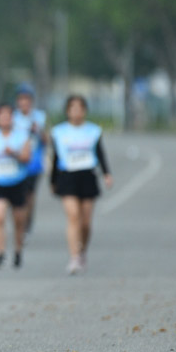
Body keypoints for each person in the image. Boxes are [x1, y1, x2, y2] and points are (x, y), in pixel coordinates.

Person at [50, 94, 113, 275]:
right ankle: (74, 256)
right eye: (73, 108)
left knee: (85, 222)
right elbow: (55, 158)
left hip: (88, 176)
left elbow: (100, 153)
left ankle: (82, 250)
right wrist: (53, 181)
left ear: (85, 111)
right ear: (67, 111)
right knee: (73, 216)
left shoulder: (93, 131)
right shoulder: (59, 132)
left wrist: (107, 173)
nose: (76, 112)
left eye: (80, 108)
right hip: (67, 176)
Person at [0, 104, 32, 269]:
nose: (5, 119)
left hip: (17, 181)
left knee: (18, 221)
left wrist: (15, 154)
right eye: (1, 115)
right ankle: (1, 252)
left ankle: (18, 250)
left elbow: (26, 158)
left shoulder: (21, 136)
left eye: (8, 115)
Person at [13, 83, 47, 236]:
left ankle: (26, 224)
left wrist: (38, 131)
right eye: (21, 99)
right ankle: (18, 223)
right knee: (18, 196)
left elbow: (47, 140)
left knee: (29, 196)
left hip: (34, 163)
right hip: (16, 162)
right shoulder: (12, 117)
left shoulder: (39, 117)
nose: (24, 102)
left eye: (27, 99)